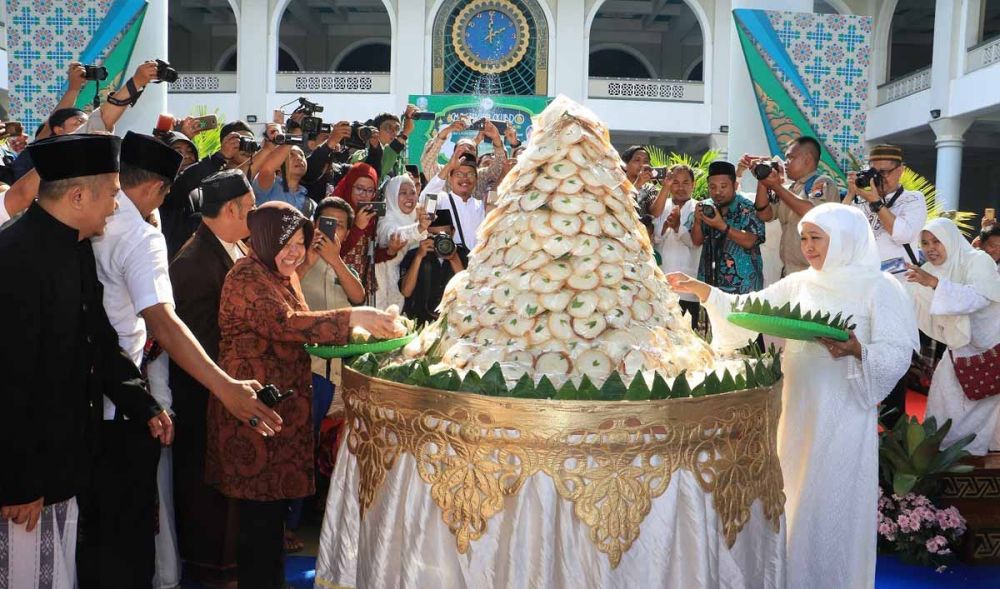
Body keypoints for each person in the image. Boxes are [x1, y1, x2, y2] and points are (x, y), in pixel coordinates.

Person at [668, 203, 919, 589]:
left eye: (816, 238)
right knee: (790, 492)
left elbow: (898, 351)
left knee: (829, 498)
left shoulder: (880, 287)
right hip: (797, 405)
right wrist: (703, 291)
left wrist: (856, 350)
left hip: (845, 408)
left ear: (844, 240)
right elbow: (747, 308)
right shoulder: (800, 283)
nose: (808, 247)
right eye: (804, 238)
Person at [83, 131, 272, 588]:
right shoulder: (142, 236)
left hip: (88, 386)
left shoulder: (86, 222)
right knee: (126, 528)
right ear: (156, 190)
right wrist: (226, 386)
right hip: (124, 394)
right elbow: (165, 324)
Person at [0, 134, 170, 589]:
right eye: (112, 194)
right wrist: (18, 484)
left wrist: (141, 401)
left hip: (63, 466)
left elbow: (97, 337)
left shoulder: (73, 248)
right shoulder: (15, 258)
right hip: (25, 485)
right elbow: (9, 381)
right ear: (78, 196)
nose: (116, 206)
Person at [205, 201, 403, 588]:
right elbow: (287, 323)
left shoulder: (279, 275)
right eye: (286, 243)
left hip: (281, 415)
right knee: (257, 523)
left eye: (300, 242)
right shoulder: (246, 275)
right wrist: (354, 317)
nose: (294, 252)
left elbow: (301, 326)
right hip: (253, 418)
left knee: (271, 522)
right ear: (262, 239)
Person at [168, 169, 255, 586]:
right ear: (233, 208)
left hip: (233, 394)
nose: (253, 218)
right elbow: (199, 342)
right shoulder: (194, 261)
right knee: (207, 495)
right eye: (250, 209)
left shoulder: (234, 245)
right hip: (206, 396)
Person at [907, 218, 1000, 456]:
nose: (931, 248)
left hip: (991, 351)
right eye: (925, 242)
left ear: (951, 238)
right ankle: (943, 466)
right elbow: (919, 309)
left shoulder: (978, 260)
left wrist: (936, 284)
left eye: (937, 241)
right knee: (944, 404)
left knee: (986, 414)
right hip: (957, 350)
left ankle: (980, 467)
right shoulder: (927, 271)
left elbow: (980, 298)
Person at [160, 120, 260, 258]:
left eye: (190, 151)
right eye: (178, 151)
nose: (187, 155)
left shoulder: (205, 187)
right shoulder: (164, 189)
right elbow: (185, 181)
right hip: (176, 264)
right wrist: (220, 157)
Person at [749, 136, 842, 276]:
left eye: (790, 158)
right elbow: (764, 214)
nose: (785, 163)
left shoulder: (823, 182)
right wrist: (762, 179)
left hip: (814, 273)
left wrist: (776, 186)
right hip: (790, 271)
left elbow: (812, 212)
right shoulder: (790, 189)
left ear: (807, 159)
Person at [846, 144, 928, 274]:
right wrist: (851, 193)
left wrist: (876, 202)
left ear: (901, 170)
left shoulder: (913, 199)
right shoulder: (861, 199)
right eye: (873, 172)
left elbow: (903, 235)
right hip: (863, 281)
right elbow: (839, 230)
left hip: (898, 283)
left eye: (883, 172)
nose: (878, 178)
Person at [691, 161, 766, 296]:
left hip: (743, 286)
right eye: (712, 187)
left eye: (723, 186)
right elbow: (696, 241)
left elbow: (751, 240)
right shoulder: (706, 207)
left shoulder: (747, 207)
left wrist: (722, 226)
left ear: (734, 185)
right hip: (709, 281)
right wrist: (697, 221)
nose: (717, 192)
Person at [335, 163, 406, 303]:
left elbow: (369, 256)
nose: (364, 195)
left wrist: (390, 251)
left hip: (359, 289)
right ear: (349, 186)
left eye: (370, 190)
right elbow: (332, 253)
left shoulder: (370, 218)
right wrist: (357, 228)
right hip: (333, 285)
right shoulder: (334, 211)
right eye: (359, 188)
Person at [651, 164, 702, 329]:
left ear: (693, 184)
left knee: (687, 334)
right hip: (661, 281)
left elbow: (695, 242)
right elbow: (654, 238)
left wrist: (678, 227)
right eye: (675, 182)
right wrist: (667, 226)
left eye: (686, 182)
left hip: (687, 280)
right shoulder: (661, 204)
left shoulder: (699, 208)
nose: (680, 187)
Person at [399, 209, 467, 325]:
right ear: (426, 234)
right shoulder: (414, 254)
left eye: (445, 235)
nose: (440, 240)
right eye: (434, 236)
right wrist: (419, 257)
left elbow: (468, 291)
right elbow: (406, 291)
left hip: (453, 322)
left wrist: (453, 258)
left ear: (453, 232)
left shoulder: (464, 255)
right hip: (419, 322)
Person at [419, 118, 508, 201]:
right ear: (453, 154)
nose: (466, 150)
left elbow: (500, 167)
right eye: (462, 148)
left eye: (470, 148)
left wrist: (496, 138)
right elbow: (427, 161)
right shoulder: (443, 173)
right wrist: (446, 131)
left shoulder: (481, 175)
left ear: (476, 158)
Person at [375, 175, 430, 310]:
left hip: (402, 281)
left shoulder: (413, 216)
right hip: (382, 284)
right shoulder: (386, 218)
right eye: (403, 193)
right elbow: (395, 235)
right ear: (392, 195)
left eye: (412, 193)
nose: (409, 197)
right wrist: (419, 228)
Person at [422, 151, 486, 251]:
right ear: (450, 178)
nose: (465, 178)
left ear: (476, 179)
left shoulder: (481, 206)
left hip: (477, 263)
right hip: (451, 262)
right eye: (459, 174)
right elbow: (425, 198)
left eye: (470, 174)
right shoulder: (441, 200)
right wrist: (449, 167)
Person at [253, 127, 316, 217]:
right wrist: (293, 136)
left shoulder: (312, 205)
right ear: (278, 164)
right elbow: (267, 169)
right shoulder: (267, 187)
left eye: (301, 155)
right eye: (291, 154)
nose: (299, 158)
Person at [348, 108, 414, 179]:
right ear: (376, 131)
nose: (393, 132)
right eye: (388, 127)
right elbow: (376, 169)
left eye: (397, 128)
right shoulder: (359, 155)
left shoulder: (398, 164)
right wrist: (404, 135)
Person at [620, 145, 657, 215]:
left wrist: (666, 186)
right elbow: (619, 206)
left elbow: (656, 212)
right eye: (637, 160)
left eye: (646, 161)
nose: (642, 165)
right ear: (625, 165)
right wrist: (637, 184)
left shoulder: (650, 188)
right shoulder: (616, 185)